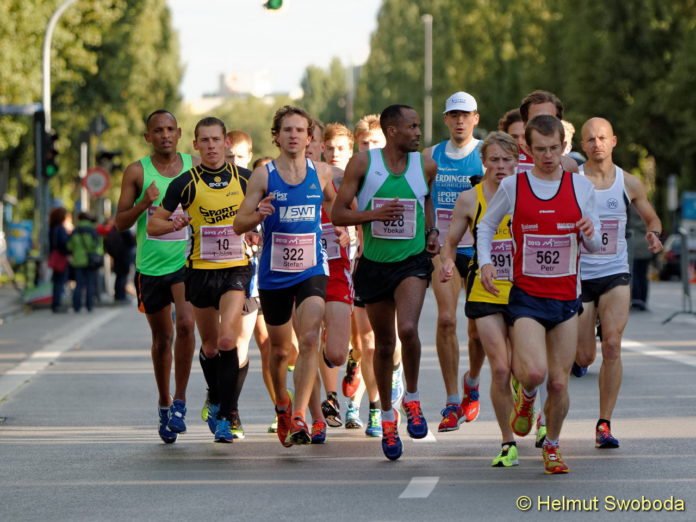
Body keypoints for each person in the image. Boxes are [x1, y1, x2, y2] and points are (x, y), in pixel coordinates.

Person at [476, 115, 601, 474]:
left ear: (564, 146)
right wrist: (486, 263)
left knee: (560, 381)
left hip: (565, 297)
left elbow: (592, 246)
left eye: (554, 149)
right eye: (540, 149)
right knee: (532, 373)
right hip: (527, 296)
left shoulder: (581, 188)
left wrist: (589, 232)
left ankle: (553, 446)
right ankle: (527, 398)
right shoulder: (515, 186)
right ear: (527, 150)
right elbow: (485, 225)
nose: (547, 156)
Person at [332, 104, 439, 461]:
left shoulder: (425, 165)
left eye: (418, 126)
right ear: (392, 131)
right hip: (375, 264)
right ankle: (387, 416)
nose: (418, 132)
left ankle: (412, 398)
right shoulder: (364, 164)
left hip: (412, 261)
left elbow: (428, 202)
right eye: (412, 127)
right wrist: (372, 215)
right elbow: (338, 212)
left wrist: (433, 231)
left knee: (408, 329)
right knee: (383, 342)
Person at [234, 105, 338, 446]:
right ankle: (282, 403)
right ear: (276, 137)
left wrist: (366, 220)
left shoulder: (321, 172)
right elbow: (239, 223)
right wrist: (258, 214)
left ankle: (299, 416)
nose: (294, 136)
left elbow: (342, 205)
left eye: (300, 130)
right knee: (279, 352)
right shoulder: (263, 175)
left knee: (309, 338)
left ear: (309, 137)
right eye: (287, 130)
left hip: (311, 267)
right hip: (274, 272)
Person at [148, 116, 252, 443]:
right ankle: (217, 396)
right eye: (203, 141)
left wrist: (259, 228)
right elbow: (154, 226)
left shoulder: (246, 179)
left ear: (225, 144)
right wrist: (175, 225)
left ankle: (228, 413)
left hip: (236, 268)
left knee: (226, 341)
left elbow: (267, 211)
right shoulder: (185, 183)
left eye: (215, 140)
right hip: (200, 271)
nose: (210, 146)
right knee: (208, 347)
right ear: (195, 145)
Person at [573, 117, 662, 448]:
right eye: (590, 139)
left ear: (614, 141)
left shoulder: (629, 182)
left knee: (611, 345)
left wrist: (653, 234)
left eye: (602, 138)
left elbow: (651, 218)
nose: (597, 144)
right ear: (582, 146)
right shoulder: (573, 180)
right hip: (580, 276)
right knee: (583, 358)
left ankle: (604, 424)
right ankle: (581, 345)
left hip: (614, 273)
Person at [114, 109, 197, 444]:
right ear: (148, 137)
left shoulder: (195, 167)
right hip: (150, 267)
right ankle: (163, 402)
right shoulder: (137, 171)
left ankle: (180, 401)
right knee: (162, 340)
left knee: (187, 325)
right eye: (157, 130)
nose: (165, 135)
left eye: (170, 129)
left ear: (179, 134)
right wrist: (143, 203)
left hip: (186, 263)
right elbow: (120, 222)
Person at [440, 131, 518, 466]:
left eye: (507, 160)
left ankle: (530, 408)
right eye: (494, 160)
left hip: (522, 288)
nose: (500, 166)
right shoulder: (470, 199)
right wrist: (445, 259)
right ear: (484, 162)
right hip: (485, 286)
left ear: (517, 163)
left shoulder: (528, 194)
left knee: (524, 369)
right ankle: (507, 442)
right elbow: (451, 241)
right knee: (501, 368)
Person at [423, 92, 485, 432]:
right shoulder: (430, 156)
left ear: (475, 118)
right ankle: (450, 401)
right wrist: (428, 229)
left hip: (478, 251)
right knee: (446, 320)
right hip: (444, 249)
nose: (460, 121)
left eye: (466, 115)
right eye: (453, 115)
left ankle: (472, 382)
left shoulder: (485, 156)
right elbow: (421, 195)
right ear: (446, 119)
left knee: (477, 331)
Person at [68, 211, 102, 313]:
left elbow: (69, 246)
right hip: (90, 261)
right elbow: (96, 245)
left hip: (78, 261)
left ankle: (76, 306)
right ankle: (89, 306)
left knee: (78, 284)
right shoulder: (92, 230)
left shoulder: (75, 231)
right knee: (90, 284)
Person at [103, 219, 135, 302]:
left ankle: (118, 295)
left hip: (116, 257)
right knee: (122, 277)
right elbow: (132, 242)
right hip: (124, 257)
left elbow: (106, 245)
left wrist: (113, 254)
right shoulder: (124, 231)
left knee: (118, 276)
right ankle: (121, 296)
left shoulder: (112, 231)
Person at [48, 207, 71, 313]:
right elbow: (63, 244)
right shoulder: (60, 229)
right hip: (61, 257)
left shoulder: (52, 228)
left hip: (55, 256)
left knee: (57, 281)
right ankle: (57, 304)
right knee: (60, 281)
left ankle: (56, 303)